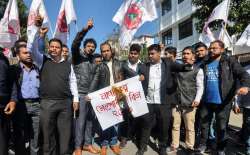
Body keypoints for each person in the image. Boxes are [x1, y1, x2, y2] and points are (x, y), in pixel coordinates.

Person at [28, 16, 79, 155]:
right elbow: (32, 49)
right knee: (48, 137)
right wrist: (37, 30)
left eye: (57, 47)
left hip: (65, 104)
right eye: (52, 46)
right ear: (49, 48)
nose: (54, 49)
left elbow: (73, 81)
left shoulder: (68, 65)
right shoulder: (42, 60)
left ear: (61, 49)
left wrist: (75, 99)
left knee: (65, 135)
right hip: (47, 103)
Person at [137, 44, 192, 155]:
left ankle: (162, 147)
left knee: (164, 126)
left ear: (158, 53)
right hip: (148, 102)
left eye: (152, 54)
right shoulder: (144, 66)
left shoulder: (167, 63)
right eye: (149, 54)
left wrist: (188, 65)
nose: (150, 56)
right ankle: (142, 147)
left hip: (163, 102)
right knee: (146, 125)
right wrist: (140, 78)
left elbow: (181, 68)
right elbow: (138, 78)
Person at [198, 40, 250, 155]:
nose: (211, 50)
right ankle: (204, 145)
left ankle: (221, 148)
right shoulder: (205, 62)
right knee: (204, 125)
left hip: (223, 101)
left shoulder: (229, 61)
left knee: (221, 127)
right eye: (210, 48)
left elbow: (243, 74)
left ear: (222, 49)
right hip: (207, 100)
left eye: (215, 48)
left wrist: (245, 86)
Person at [71, 19, 100, 155]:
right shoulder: (77, 56)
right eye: (88, 45)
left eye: (93, 46)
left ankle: (87, 144)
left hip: (91, 95)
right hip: (81, 94)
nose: (91, 48)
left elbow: (95, 77)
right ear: (84, 47)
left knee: (89, 122)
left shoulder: (93, 60)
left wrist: (92, 93)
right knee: (80, 122)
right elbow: (75, 43)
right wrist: (85, 29)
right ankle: (78, 147)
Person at [90, 42, 124, 155]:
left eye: (107, 50)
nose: (105, 53)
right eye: (103, 51)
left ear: (111, 51)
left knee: (116, 122)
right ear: (101, 53)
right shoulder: (100, 66)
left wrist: (139, 76)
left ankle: (113, 143)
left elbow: (129, 73)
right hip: (105, 97)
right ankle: (104, 144)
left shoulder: (120, 63)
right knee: (104, 122)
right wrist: (90, 93)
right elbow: (95, 81)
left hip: (118, 95)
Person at [169, 46, 204, 155]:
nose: (185, 56)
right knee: (175, 126)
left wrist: (197, 99)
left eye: (188, 54)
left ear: (193, 56)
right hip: (176, 102)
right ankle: (174, 146)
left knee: (190, 127)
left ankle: (189, 147)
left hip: (190, 102)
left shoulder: (198, 70)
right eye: (183, 54)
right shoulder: (177, 68)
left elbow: (200, 86)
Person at [9, 43, 41, 155]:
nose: (28, 55)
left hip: (37, 105)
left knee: (35, 136)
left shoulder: (38, 69)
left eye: (30, 53)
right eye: (25, 53)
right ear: (18, 55)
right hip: (20, 106)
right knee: (20, 136)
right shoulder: (14, 70)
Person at [119, 43, 142, 148]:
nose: (133, 55)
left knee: (136, 117)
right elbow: (119, 78)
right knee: (124, 117)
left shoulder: (143, 65)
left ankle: (135, 137)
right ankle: (123, 138)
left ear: (139, 55)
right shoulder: (123, 65)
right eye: (131, 53)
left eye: (135, 54)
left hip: (138, 96)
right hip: (124, 96)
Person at [0, 46, 17, 155]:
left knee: (2, 145)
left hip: (3, 109)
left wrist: (13, 100)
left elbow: (13, 83)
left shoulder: (5, 59)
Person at [233, 62, 250, 155]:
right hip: (248, 105)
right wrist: (236, 103)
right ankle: (248, 148)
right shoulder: (245, 70)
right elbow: (239, 88)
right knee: (248, 127)